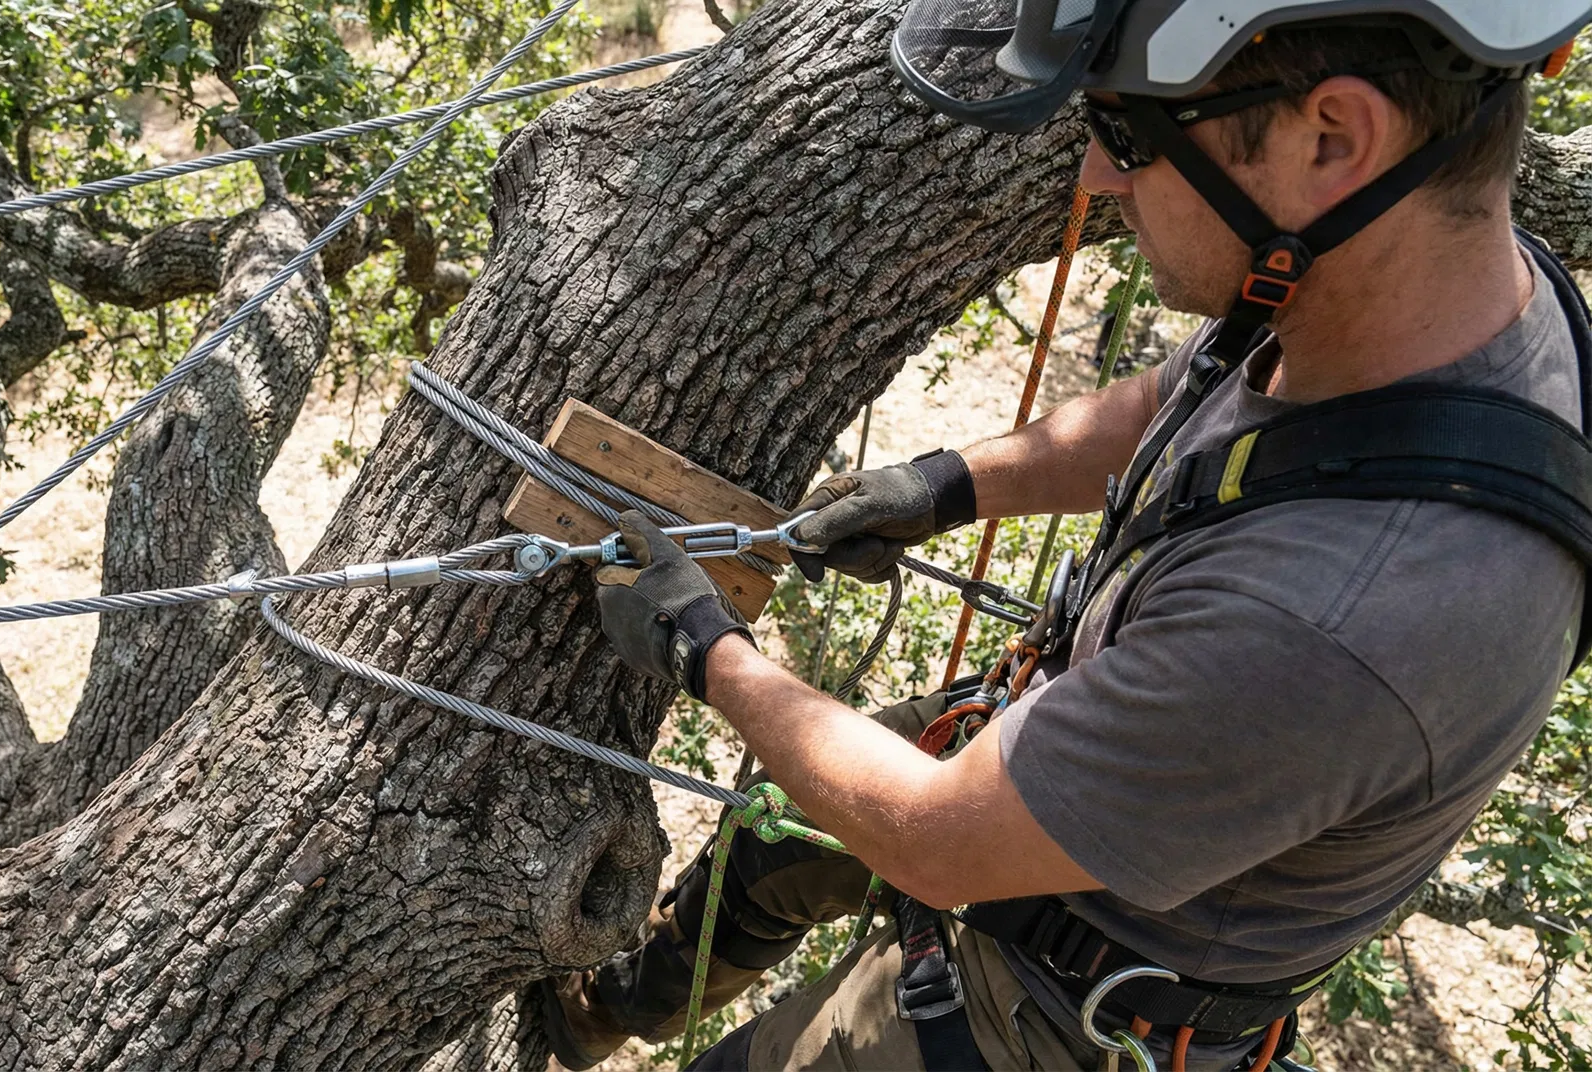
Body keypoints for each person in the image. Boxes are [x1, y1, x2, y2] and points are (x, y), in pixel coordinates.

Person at [540, 2, 1592, 1070]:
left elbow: (938, 841)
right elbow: (1186, 400)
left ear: (1333, 138)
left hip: (1045, 1007)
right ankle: (593, 1013)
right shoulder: (1411, 294)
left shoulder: (1347, 616)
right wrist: (945, 486)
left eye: (1131, 133)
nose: (1097, 174)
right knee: (772, 839)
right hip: (1047, 753)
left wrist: (704, 651)